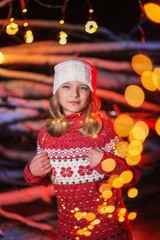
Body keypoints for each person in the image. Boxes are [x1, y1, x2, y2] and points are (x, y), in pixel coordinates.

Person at [23, 59, 141, 240]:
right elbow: (41, 178)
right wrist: (32, 170)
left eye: (83, 87)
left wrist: (108, 164)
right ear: (56, 92)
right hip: (70, 232)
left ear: (91, 94)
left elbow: (133, 175)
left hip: (109, 231)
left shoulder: (104, 130)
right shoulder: (46, 134)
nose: (75, 94)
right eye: (66, 87)